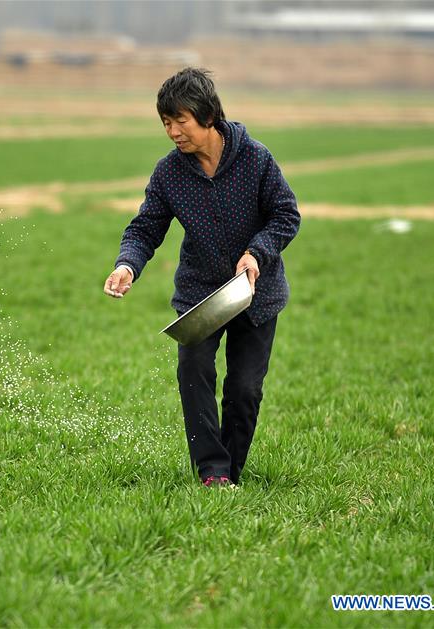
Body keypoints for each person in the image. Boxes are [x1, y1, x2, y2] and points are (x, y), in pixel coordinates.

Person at [103, 67, 301, 488]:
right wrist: (127, 265)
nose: (173, 131)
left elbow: (287, 215)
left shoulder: (256, 159)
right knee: (193, 375)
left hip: (255, 293)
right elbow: (145, 228)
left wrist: (256, 253)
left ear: (208, 115)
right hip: (200, 294)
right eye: (166, 123)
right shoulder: (169, 173)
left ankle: (232, 467)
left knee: (245, 390)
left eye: (181, 120)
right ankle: (213, 472)